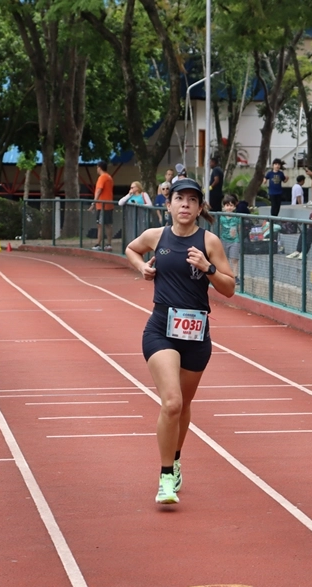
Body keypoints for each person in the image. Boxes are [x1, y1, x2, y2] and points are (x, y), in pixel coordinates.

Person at [124, 177, 235, 505]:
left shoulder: (209, 241)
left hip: (197, 336)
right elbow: (132, 248)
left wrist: (208, 267)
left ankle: (175, 458)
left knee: (183, 406)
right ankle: (165, 476)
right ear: (168, 204)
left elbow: (229, 288)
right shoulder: (156, 236)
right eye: (179, 199)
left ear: (200, 208)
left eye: (191, 200)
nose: (184, 204)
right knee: (171, 402)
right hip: (160, 330)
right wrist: (141, 266)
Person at [91, 161, 115, 251]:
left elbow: (99, 190)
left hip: (102, 205)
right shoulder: (109, 177)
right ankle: (109, 244)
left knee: (100, 224)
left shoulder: (102, 177)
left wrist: (94, 202)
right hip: (108, 204)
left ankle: (98, 243)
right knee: (108, 224)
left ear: (99, 168)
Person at [219, 195, 241, 282]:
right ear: (224, 206)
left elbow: (239, 228)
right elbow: (219, 228)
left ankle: (235, 276)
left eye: (231, 205)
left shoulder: (237, 217)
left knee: (234, 259)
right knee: (225, 258)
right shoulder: (221, 217)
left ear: (234, 206)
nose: (229, 207)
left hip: (235, 240)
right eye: (227, 205)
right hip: (224, 239)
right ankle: (226, 274)